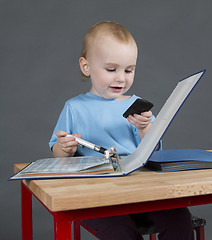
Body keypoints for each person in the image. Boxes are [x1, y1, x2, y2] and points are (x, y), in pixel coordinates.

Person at [49, 21, 194, 240]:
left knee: (179, 217)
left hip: (142, 191)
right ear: (86, 67)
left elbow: (154, 151)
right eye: (111, 69)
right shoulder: (74, 107)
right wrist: (64, 148)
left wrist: (146, 129)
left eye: (129, 70)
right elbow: (57, 154)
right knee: (120, 232)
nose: (121, 78)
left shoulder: (138, 108)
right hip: (98, 196)